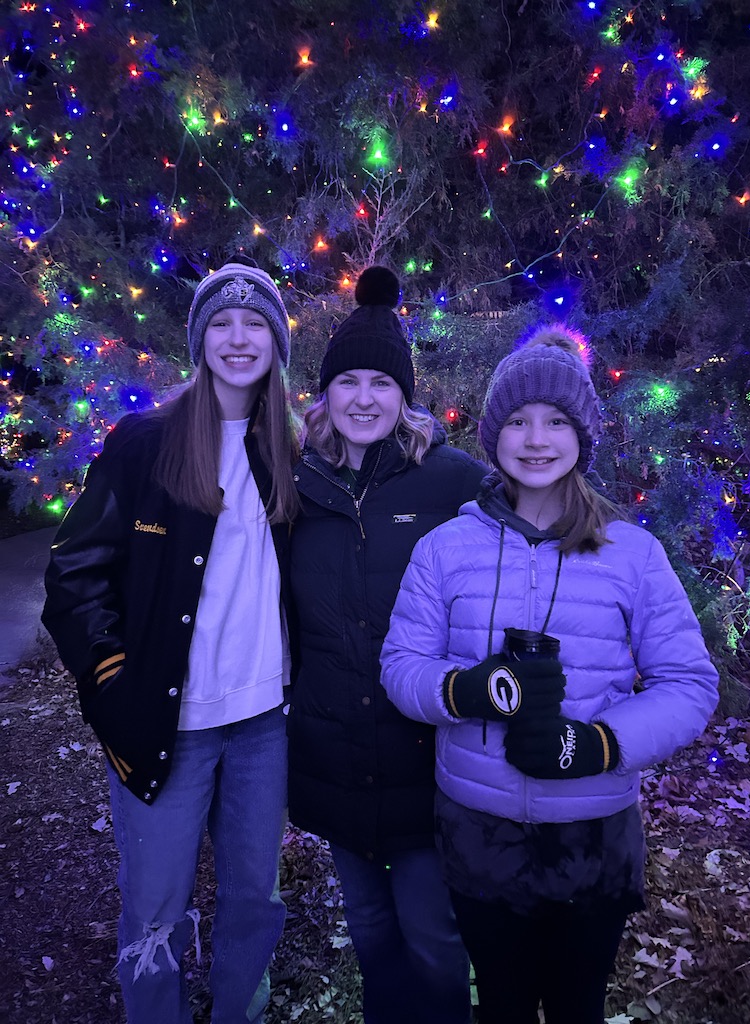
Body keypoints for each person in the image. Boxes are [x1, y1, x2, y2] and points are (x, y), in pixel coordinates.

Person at [380, 324, 720, 1024]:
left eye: (557, 422)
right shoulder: (445, 549)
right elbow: (401, 666)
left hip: (592, 844)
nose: (537, 439)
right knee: (502, 1007)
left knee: (575, 1008)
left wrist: (595, 744)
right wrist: (463, 689)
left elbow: (688, 684)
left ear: (582, 437)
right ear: (494, 433)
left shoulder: (634, 555)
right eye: (519, 421)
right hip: (480, 835)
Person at [41, 263, 300, 1024]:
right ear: (199, 340)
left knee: (256, 897)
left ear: (277, 343)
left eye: (255, 324)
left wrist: (413, 427)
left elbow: (372, 457)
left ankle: (236, 1012)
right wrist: (110, 684)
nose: (239, 338)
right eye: (221, 323)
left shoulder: (288, 448)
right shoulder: (143, 443)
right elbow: (74, 573)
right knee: (155, 907)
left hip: (262, 726)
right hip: (165, 724)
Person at [287, 266, 485, 1024]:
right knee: (370, 929)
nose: (363, 398)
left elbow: (537, 536)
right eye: (348, 382)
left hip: (427, 757)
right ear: (325, 394)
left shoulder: (452, 482)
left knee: (434, 938)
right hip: (333, 749)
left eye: (381, 382)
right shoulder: (296, 486)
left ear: (404, 395)